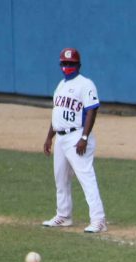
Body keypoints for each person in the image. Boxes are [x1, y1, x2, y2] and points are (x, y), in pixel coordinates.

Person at [41, 47, 107, 234]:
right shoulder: (60, 86)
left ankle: (99, 220)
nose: (67, 66)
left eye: (71, 63)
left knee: (86, 179)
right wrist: (49, 137)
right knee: (60, 178)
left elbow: (92, 110)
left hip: (77, 136)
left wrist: (84, 137)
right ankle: (64, 216)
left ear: (78, 65)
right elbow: (57, 114)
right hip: (61, 137)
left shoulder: (85, 84)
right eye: (64, 63)